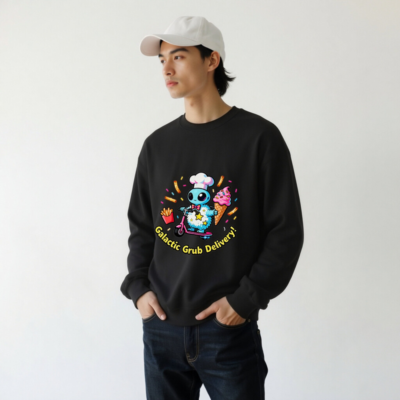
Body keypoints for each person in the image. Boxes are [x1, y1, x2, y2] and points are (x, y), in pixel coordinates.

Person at [120, 15, 304, 400]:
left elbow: (285, 232)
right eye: (162, 60)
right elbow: (142, 227)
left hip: (227, 332)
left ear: (211, 60)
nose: (166, 69)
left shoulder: (259, 138)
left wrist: (244, 301)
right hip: (162, 329)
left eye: (179, 56)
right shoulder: (157, 146)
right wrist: (139, 290)